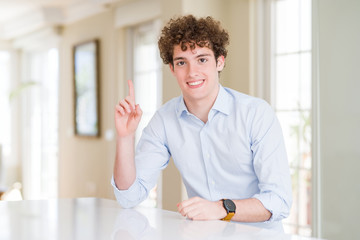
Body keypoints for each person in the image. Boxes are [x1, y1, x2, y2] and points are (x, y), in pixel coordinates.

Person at [112, 15, 292, 231]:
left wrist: (223, 209)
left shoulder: (256, 114)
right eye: (181, 62)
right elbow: (128, 197)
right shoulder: (164, 120)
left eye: (202, 59)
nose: (192, 72)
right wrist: (125, 137)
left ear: (220, 61)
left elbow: (279, 201)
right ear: (172, 68)